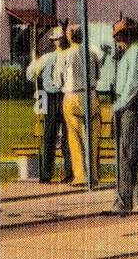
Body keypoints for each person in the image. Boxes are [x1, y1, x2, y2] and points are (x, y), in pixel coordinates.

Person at [108, 19, 138, 215]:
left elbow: (132, 86)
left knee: (126, 154)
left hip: (131, 106)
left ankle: (123, 202)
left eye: (118, 37)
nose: (117, 42)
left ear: (125, 36)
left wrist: (117, 107)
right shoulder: (134, 52)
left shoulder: (136, 53)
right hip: (135, 104)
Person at [58, 24, 104, 187]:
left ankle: (81, 175)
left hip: (71, 95)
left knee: (75, 136)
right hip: (91, 94)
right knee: (93, 138)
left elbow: (58, 80)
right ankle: (94, 175)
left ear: (69, 37)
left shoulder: (64, 55)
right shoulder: (92, 54)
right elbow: (98, 74)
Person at [24, 25, 71, 183]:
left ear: (55, 42)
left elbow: (30, 74)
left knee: (49, 137)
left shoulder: (47, 58)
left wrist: (36, 67)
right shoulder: (70, 56)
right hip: (65, 96)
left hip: (51, 97)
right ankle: (69, 172)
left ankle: (46, 174)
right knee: (66, 136)